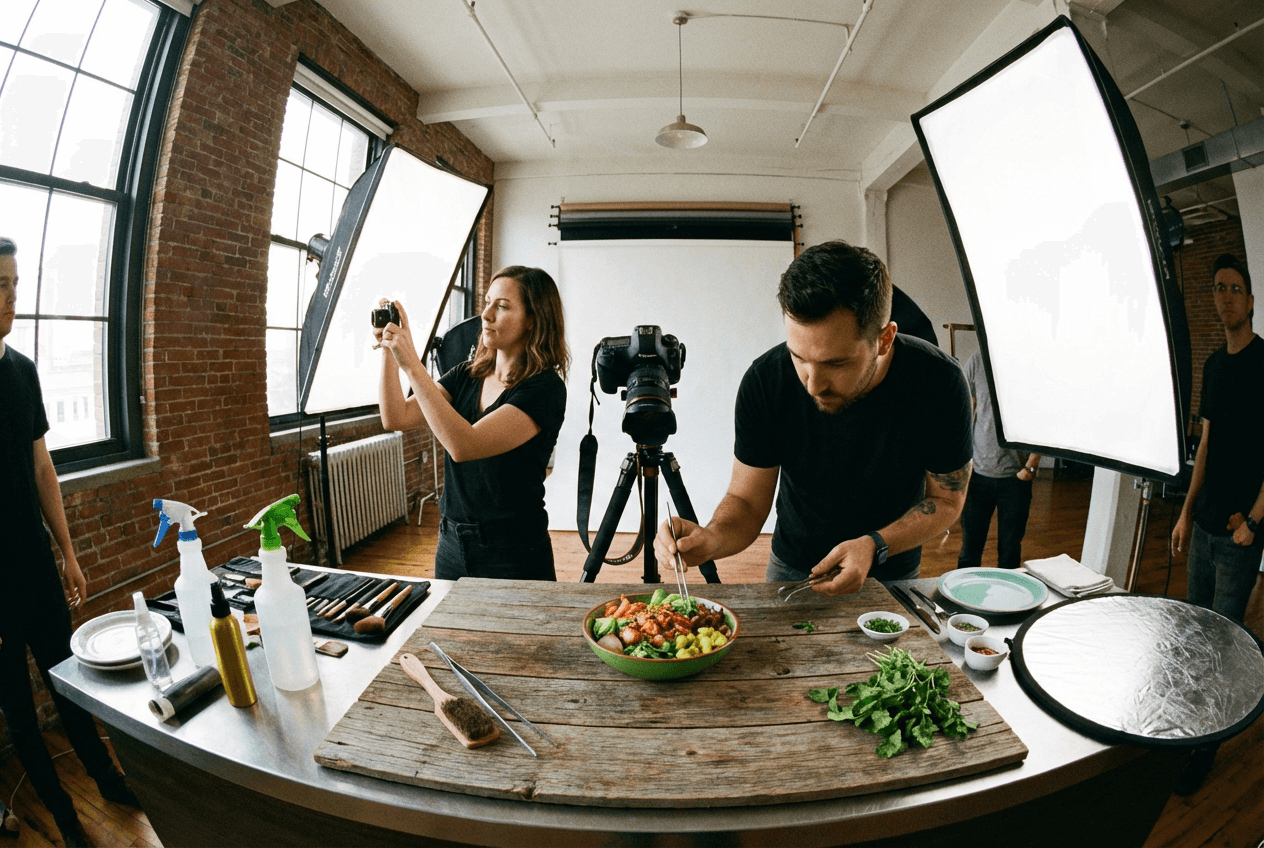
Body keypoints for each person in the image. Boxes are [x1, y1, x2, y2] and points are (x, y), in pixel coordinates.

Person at [655, 240, 973, 595]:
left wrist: (873, 545)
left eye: (836, 363)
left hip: (891, 566)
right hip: (794, 566)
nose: (813, 384)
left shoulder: (939, 382)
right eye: (799, 357)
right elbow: (746, 501)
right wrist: (711, 538)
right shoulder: (765, 381)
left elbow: (947, 500)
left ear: (884, 340)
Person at [0, 238, 138, 848]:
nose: (9, 297)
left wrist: (70, 552)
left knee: (68, 679)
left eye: (13, 283)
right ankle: (61, 813)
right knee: (21, 712)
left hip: (34, 562)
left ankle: (106, 777)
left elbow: (42, 470)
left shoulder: (21, 370)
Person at [377, 266, 569, 581]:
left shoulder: (544, 388)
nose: (486, 315)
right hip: (451, 543)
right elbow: (396, 417)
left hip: (513, 551)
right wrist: (389, 350)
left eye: (503, 306)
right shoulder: (467, 374)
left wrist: (411, 363)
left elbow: (465, 445)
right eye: (487, 302)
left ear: (533, 319)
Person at [1170, 253, 1264, 796]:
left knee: (1225, 644)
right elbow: (1205, 444)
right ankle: (1187, 731)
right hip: (1203, 528)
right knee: (1195, 634)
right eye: (1219, 288)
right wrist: (1184, 512)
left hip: (1237, 535)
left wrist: (1253, 520)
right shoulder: (1213, 365)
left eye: (1235, 288)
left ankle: (1204, 747)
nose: (1226, 296)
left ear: (1250, 300)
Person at [956, 350, 1041, 570]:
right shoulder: (977, 359)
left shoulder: (1029, 365)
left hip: (1016, 478)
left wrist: (1031, 466)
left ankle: (1008, 603)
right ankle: (964, 599)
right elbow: (966, 407)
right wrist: (964, 462)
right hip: (978, 474)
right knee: (970, 549)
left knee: (1010, 551)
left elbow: (1041, 418)